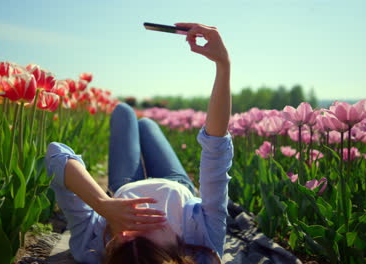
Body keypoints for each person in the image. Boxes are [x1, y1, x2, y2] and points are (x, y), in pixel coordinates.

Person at [46, 22, 233, 264]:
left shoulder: (93, 246)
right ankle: (146, 125)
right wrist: (223, 64)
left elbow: (56, 155)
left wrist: (104, 205)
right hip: (177, 184)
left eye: (122, 241)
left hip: (125, 184)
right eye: (145, 238)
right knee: (146, 126)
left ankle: (138, 121)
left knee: (123, 112)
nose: (128, 231)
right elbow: (216, 151)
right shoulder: (202, 246)